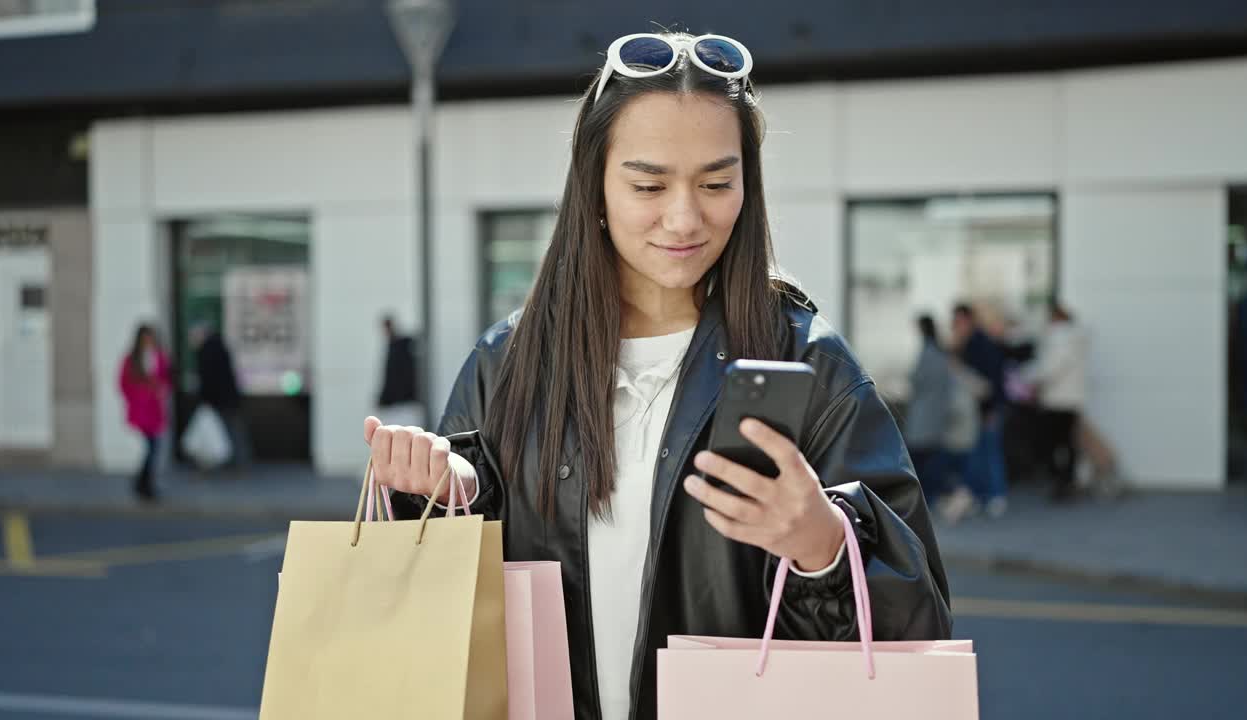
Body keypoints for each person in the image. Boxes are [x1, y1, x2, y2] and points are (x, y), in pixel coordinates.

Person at [365, 32, 951, 720]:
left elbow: (919, 630)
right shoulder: (510, 363)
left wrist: (822, 544)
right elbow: (439, 613)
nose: (685, 217)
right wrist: (445, 494)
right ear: (597, 186)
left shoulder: (809, 363)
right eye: (648, 185)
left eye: (716, 183)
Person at [1019, 301, 1088, 501]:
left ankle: (1061, 483)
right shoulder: (1076, 337)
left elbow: (1050, 368)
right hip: (1073, 399)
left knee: (1054, 444)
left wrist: (1028, 377)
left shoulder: (1060, 338)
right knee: (1067, 443)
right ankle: (1068, 482)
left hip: (1057, 400)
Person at [951, 302, 1010, 517]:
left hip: (989, 408)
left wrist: (992, 409)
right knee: (979, 453)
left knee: (990, 452)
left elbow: (993, 379)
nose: (955, 327)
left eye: (958, 322)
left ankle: (996, 495)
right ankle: (983, 495)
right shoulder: (969, 344)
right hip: (977, 410)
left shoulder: (981, 344)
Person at [904, 315, 956, 505]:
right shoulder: (941, 351)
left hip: (923, 411)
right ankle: (932, 494)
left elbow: (917, 379)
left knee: (919, 457)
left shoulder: (928, 352)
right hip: (937, 411)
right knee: (933, 455)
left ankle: (924, 497)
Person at [117, 324, 170, 501]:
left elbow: (167, 379)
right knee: (151, 448)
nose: (149, 341)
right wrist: (139, 395)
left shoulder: (159, 357)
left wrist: (161, 389)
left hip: (155, 409)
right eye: (146, 337)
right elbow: (124, 383)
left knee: (154, 448)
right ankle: (143, 484)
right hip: (141, 410)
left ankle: (143, 483)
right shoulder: (132, 359)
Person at [192, 323, 251, 469]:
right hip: (228, 398)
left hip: (220, 399)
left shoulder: (207, 351)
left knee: (228, 431)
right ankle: (238, 463)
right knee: (233, 431)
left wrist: (205, 399)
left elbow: (209, 379)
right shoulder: (220, 347)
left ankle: (236, 463)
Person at [376, 314, 422, 428]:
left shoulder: (401, 347)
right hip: (399, 403)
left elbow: (394, 377)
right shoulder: (394, 347)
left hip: (406, 402)